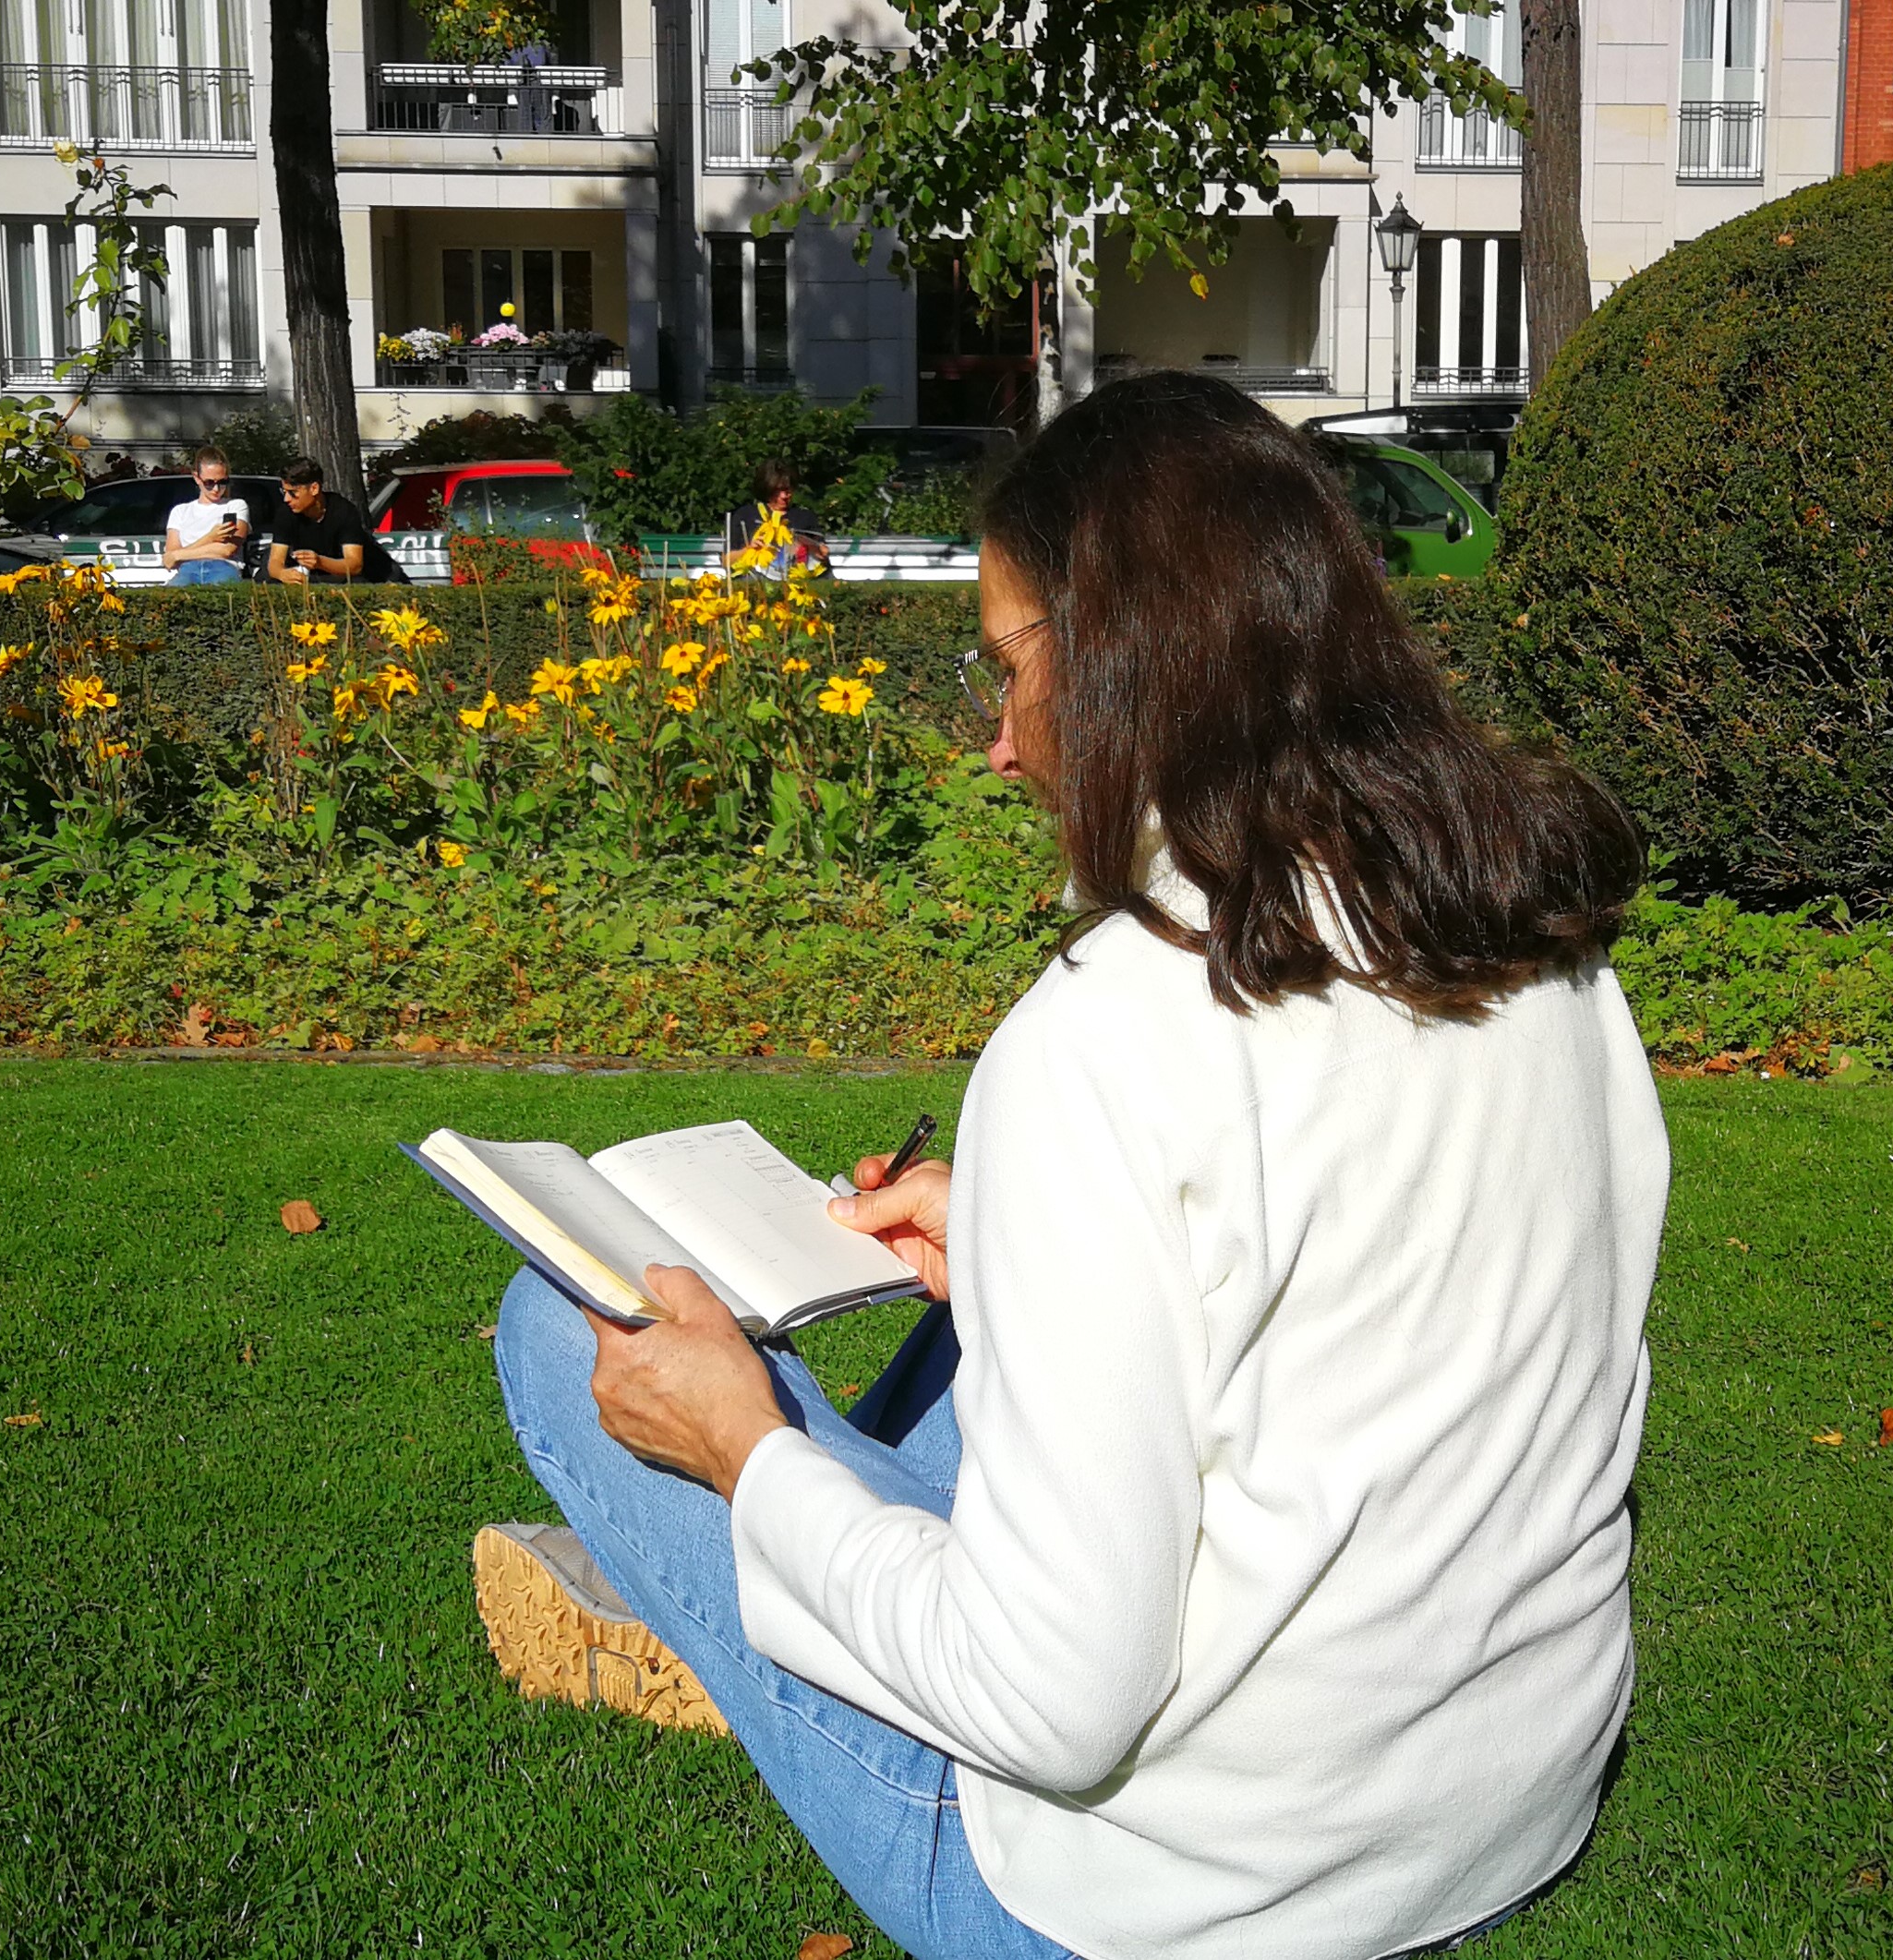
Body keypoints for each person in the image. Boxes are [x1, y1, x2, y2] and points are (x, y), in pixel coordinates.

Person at [479, 371, 1668, 1960]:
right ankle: (756, 1575)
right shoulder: (1528, 944)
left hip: (1164, 1896)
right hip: (1492, 1807)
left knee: (556, 1324)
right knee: (962, 1342)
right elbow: (1398, 1288)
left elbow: (1048, 1704)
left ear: (1112, 663)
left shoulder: (1111, 1031)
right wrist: (1026, 1261)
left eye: (1006, 668)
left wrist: (741, 1447)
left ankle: (713, 1579)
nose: (993, 745)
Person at [265, 457, 408, 584]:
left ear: (314, 488)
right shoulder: (285, 513)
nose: (286, 499)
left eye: (293, 493)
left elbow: (355, 565)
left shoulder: (343, 511)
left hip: (365, 575)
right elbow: (275, 562)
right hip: (319, 577)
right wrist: (283, 574)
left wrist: (320, 562)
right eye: (284, 492)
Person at [161, 447, 250, 586]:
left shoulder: (235, 506)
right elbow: (169, 561)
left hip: (223, 567)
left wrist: (179, 555)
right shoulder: (180, 511)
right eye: (209, 483)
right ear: (197, 478)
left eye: (222, 482)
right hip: (187, 571)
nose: (216, 489)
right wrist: (211, 538)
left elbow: (227, 550)